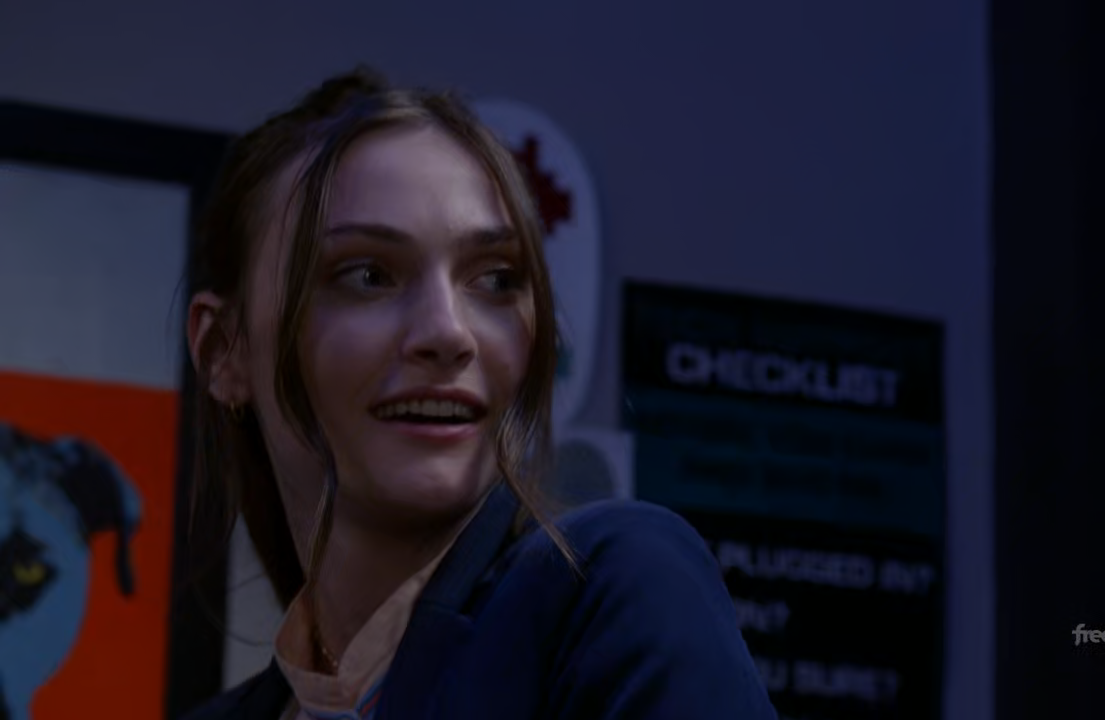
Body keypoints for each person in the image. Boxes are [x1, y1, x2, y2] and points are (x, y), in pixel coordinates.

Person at [180, 66, 777, 720]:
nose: (449, 332)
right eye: (368, 274)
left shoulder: (618, 587)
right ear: (223, 350)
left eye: (495, 279)